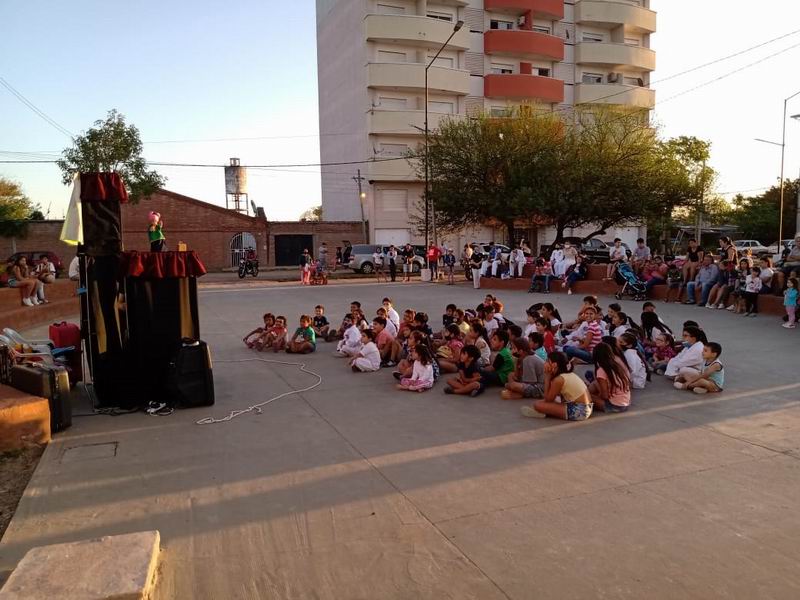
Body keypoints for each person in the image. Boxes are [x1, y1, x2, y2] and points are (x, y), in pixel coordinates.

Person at [520, 351, 593, 421]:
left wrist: (547, 376)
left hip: (580, 411)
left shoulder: (559, 379)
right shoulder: (567, 375)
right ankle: (546, 411)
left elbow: (548, 399)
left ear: (554, 365)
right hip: (586, 407)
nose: (545, 363)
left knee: (537, 405)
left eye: (547, 361)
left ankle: (544, 412)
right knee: (543, 402)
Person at [588, 342, 631, 413]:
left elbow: (604, 396)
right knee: (595, 383)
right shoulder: (617, 365)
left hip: (614, 405)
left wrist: (597, 396)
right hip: (626, 402)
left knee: (587, 396)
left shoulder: (601, 371)